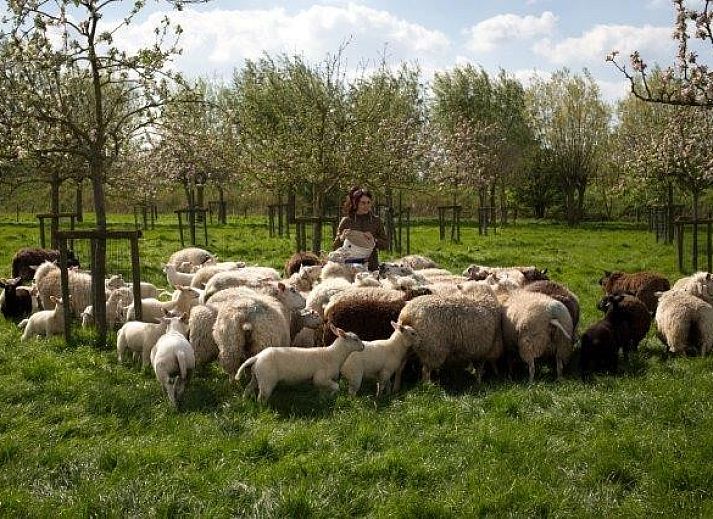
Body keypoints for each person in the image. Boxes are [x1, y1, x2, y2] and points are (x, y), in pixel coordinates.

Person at [332, 186, 389, 271]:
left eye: (368, 202)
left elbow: (385, 245)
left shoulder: (376, 221)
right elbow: (335, 247)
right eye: (363, 203)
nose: (366, 206)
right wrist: (342, 238)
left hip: (371, 267)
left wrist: (374, 240)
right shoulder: (346, 221)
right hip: (349, 268)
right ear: (356, 203)